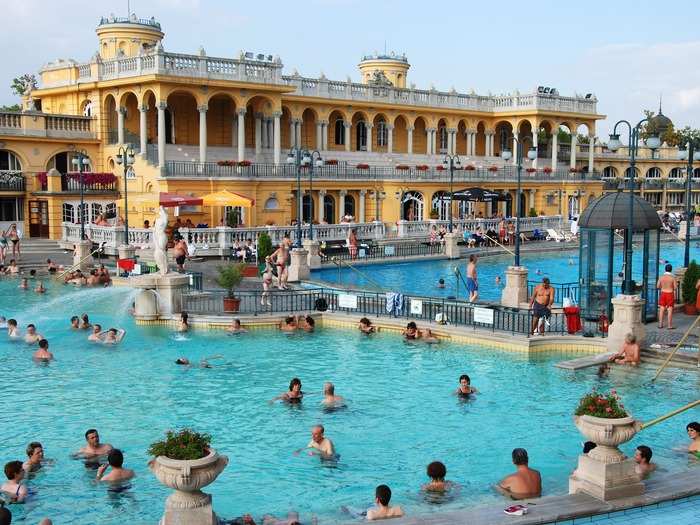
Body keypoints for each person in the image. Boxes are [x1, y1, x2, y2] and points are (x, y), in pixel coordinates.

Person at [656, 264, 676, 329]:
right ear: (671, 269)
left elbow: (658, 286)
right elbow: (675, 287)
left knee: (661, 309)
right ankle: (669, 325)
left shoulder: (661, 277)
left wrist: (663, 286)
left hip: (663, 293)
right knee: (669, 309)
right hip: (670, 293)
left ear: (665, 269)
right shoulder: (672, 278)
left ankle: (660, 324)